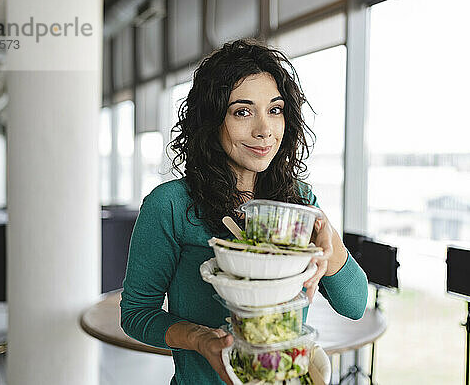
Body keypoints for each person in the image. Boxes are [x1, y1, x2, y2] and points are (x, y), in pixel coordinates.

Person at [120, 38, 368, 385]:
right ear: (212, 120)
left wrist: (331, 243)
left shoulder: (297, 202)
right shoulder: (171, 204)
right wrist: (199, 339)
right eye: (243, 111)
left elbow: (354, 305)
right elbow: (136, 314)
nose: (264, 129)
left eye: (275, 109)